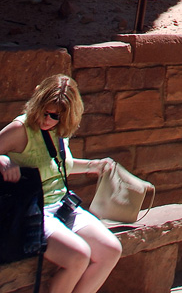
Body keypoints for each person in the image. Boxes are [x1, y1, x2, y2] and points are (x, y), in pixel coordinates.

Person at [0, 74, 122, 293]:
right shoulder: (20, 129)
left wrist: (92, 165)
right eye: (44, 112)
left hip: (63, 205)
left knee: (111, 249)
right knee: (79, 256)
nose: (47, 119)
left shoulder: (58, 130)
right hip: (34, 210)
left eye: (55, 116)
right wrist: (3, 160)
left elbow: (58, 164)